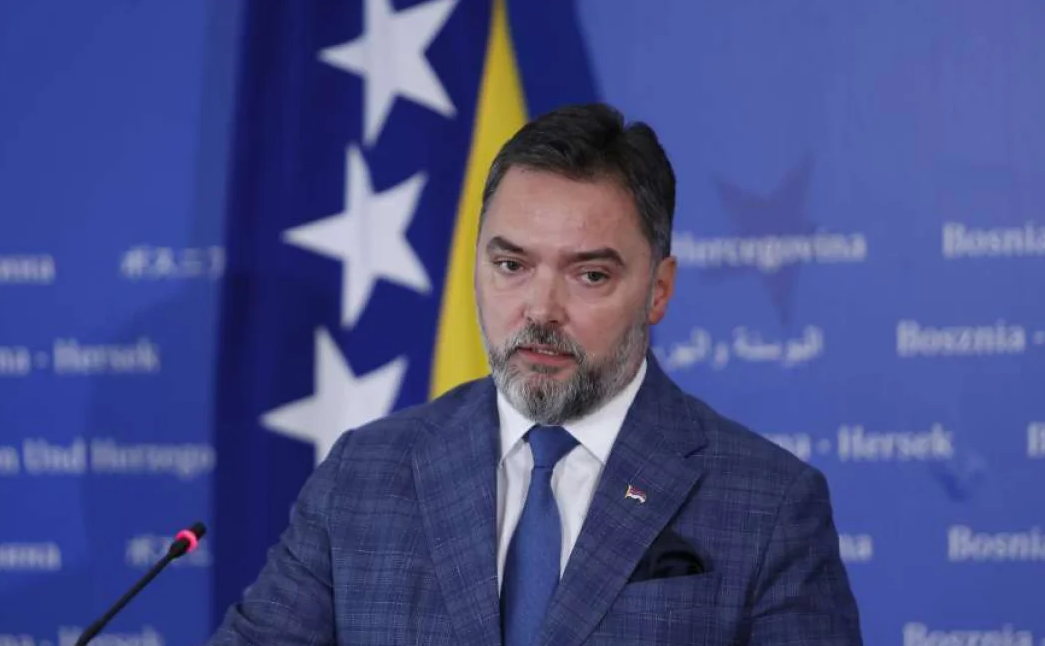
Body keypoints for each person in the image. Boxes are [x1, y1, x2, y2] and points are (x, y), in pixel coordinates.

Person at [205, 103, 864, 645]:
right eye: (511, 266)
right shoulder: (362, 476)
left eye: (590, 275)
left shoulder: (768, 504)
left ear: (658, 290)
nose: (541, 309)